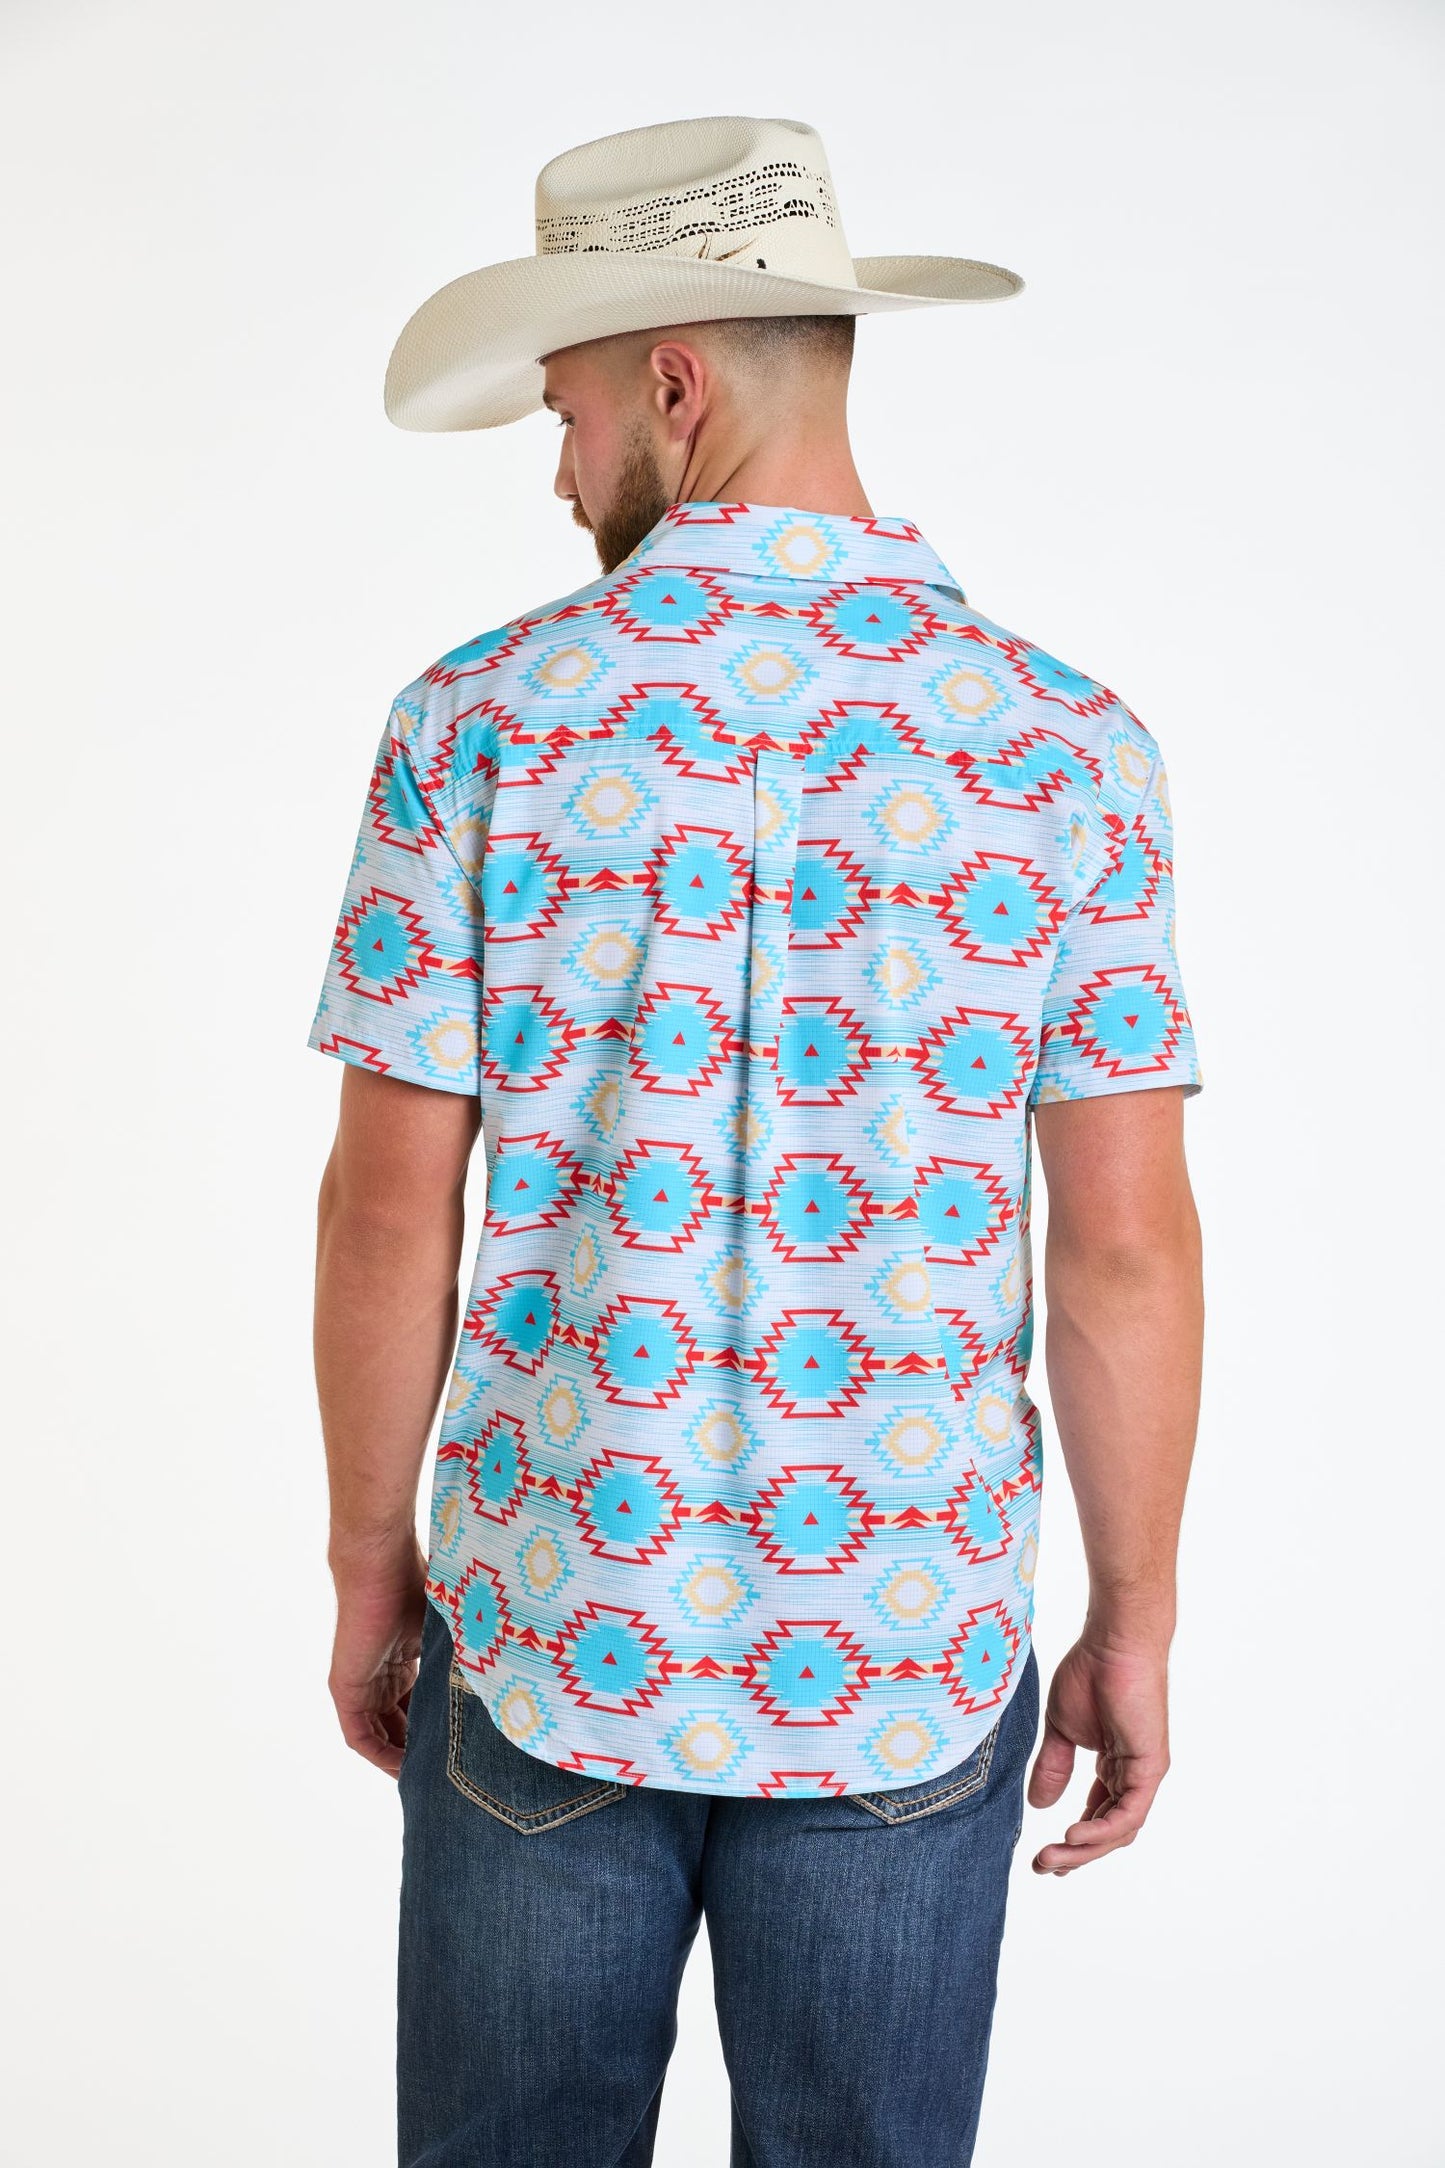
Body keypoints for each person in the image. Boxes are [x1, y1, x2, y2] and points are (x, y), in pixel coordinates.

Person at [306, 113, 1205, 2168]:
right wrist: (1134, 1617)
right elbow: (1126, 1247)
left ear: (674, 386)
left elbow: (385, 1209)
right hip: (899, 1635)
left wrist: (373, 1566)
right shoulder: (1065, 745)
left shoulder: (483, 722)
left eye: (564, 414)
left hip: (549, 1623)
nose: (557, 473)